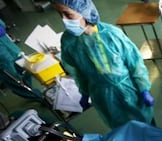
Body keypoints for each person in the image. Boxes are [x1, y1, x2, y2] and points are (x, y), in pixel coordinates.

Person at [52, 0, 155, 128]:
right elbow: (78, 72)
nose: (63, 20)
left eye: (68, 14)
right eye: (59, 14)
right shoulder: (69, 42)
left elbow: (134, 63)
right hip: (102, 95)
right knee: (121, 128)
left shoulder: (111, 34)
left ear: (84, 12)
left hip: (129, 89)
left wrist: (143, 89)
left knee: (146, 124)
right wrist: (84, 93)